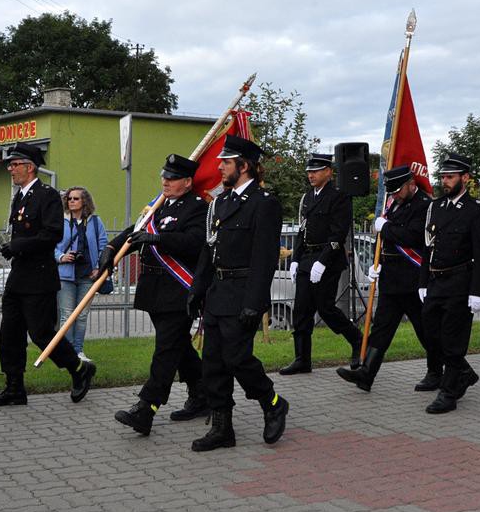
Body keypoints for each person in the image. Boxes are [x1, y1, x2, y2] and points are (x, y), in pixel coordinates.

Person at [188, 135, 287, 451]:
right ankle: (222, 429)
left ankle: (271, 402)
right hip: (218, 292)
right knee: (213, 362)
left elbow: (264, 258)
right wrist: (197, 289)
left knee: (237, 357)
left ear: (244, 166)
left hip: (244, 293)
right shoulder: (220, 202)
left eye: (226, 162)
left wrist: (255, 303)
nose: (220, 167)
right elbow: (209, 250)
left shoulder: (264, 203)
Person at [0, 142, 96, 408]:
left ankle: (79, 368)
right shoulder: (20, 196)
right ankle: (14, 388)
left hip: (39, 277)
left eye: (14, 164)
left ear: (30, 167)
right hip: (19, 276)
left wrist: (17, 246)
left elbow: (52, 234)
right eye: (10, 164)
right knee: (9, 333)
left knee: (42, 333)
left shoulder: (47, 196)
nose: (10, 169)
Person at [106, 154, 208, 435]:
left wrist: (159, 239)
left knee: (165, 350)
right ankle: (203, 394)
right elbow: (134, 230)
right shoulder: (159, 206)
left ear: (187, 182)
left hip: (179, 290)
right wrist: (112, 249)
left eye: (172, 178)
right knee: (179, 347)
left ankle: (146, 408)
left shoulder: (198, 207)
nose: (165, 181)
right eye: (164, 176)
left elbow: (195, 242)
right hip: (154, 289)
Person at [337, 165, 440, 392]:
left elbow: (411, 236)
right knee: (381, 329)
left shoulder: (425, 206)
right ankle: (366, 374)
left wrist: (386, 227)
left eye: (397, 190)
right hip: (391, 279)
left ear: (411, 184)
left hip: (413, 280)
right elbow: (384, 240)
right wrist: (377, 264)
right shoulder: (394, 204)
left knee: (426, 330)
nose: (393, 195)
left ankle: (437, 372)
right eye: (391, 191)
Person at [418, 153, 480, 414]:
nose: (445, 181)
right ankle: (464, 372)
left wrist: (478, 291)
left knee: (452, 339)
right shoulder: (435, 207)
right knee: (431, 334)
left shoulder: (476, 210)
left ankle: (449, 393)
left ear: (465, 178)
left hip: (460, 282)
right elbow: (428, 247)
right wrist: (423, 281)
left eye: (450, 177)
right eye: (443, 177)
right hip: (436, 281)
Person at [280, 154, 362, 375]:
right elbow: (302, 230)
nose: (310, 175)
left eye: (315, 171)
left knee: (326, 308)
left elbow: (338, 234)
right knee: (301, 310)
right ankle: (302, 359)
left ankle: (357, 341)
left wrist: (323, 262)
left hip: (329, 260)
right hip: (308, 258)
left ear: (328, 172)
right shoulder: (308, 197)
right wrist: (295, 259)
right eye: (309, 171)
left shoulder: (339, 197)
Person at [55, 186, 107, 361]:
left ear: (84, 201)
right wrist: (61, 256)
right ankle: (68, 353)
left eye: (76, 198)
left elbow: (103, 246)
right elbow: (51, 245)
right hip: (65, 276)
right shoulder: (60, 221)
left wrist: (98, 267)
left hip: (87, 275)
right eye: (69, 198)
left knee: (82, 315)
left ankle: (78, 351)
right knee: (67, 315)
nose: (71, 201)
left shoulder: (94, 221)